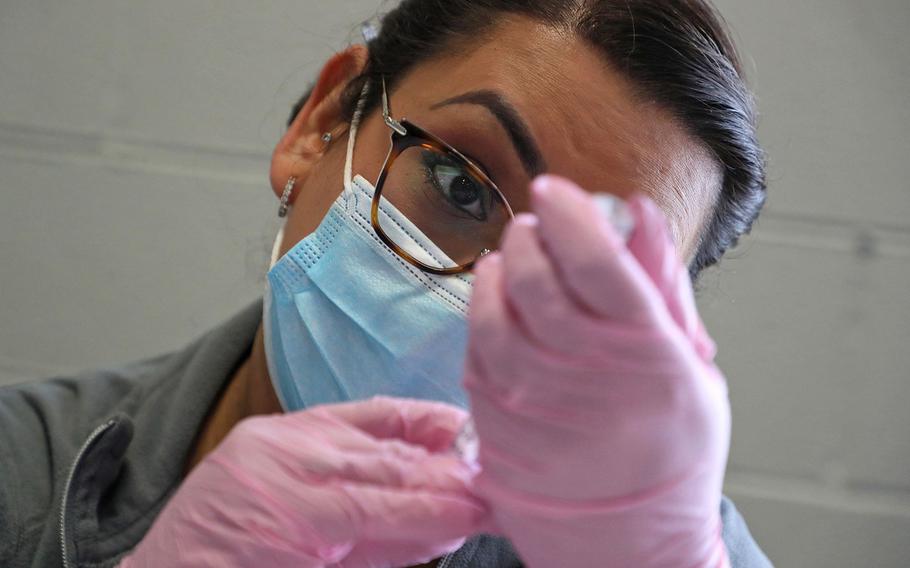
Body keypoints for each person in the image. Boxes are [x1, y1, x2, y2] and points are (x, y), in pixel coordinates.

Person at [0, 1, 773, 566]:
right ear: (320, 124)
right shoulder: (24, 473)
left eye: (580, 279)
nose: (477, 307)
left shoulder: (670, 549)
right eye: (459, 187)